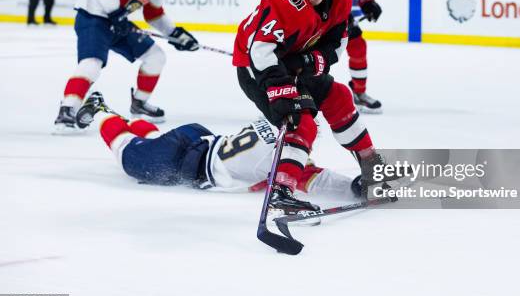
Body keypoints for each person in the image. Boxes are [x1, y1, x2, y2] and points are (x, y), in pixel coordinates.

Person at [232, 0, 385, 214]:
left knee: (338, 96)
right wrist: (280, 91)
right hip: (257, 68)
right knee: (300, 121)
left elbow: (337, 45)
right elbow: (261, 51)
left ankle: (372, 168)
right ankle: (282, 190)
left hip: (296, 62)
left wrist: (307, 61)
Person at [74, 92, 360, 213]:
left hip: (197, 139)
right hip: (188, 160)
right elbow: (314, 179)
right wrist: (354, 189)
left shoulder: (276, 121)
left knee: (152, 142)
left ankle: (126, 119)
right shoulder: (285, 156)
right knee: (129, 156)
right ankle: (101, 110)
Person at [54, 0, 200, 131]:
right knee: (92, 64)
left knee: (155, 57)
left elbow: (153, 14)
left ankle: (139, 103)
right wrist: (115, 14)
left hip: (118, 22)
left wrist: (176, 34)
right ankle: (67, 110)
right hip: (93, 16)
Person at [335, 0, 383, 113]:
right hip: (317, 15)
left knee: (358, 46)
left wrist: (367, 2)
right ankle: (291, 96)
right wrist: (341, 17)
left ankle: (359, 93)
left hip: (340, 14)